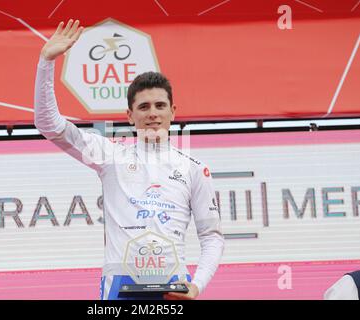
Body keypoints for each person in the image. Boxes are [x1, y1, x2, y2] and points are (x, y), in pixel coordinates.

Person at [34, 19, 224, 300]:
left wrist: (196, 286)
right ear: (130, 115)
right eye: (143, 107)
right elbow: (49, 124)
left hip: (174, 286)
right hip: (119, 286)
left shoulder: (194, 169)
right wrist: (46, 62)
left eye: (160, 106)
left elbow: (212, 236)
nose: (152, 113)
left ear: (173, 111)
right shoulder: (110, 156)